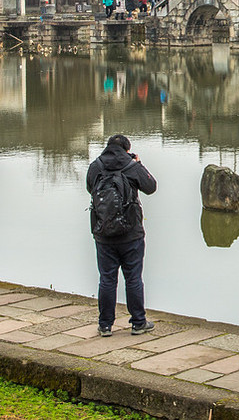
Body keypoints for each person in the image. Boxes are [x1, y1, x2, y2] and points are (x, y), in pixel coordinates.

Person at [86, 134, 158, 336]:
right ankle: (138, 322)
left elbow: (90, 189)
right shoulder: (131, 166)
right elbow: (151, 187)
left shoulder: (96, 166)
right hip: (131, 233)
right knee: (133, 278)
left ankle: (105, 325)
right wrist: (139, 164)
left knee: (107, 279)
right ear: (127, 150)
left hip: (103, 233)